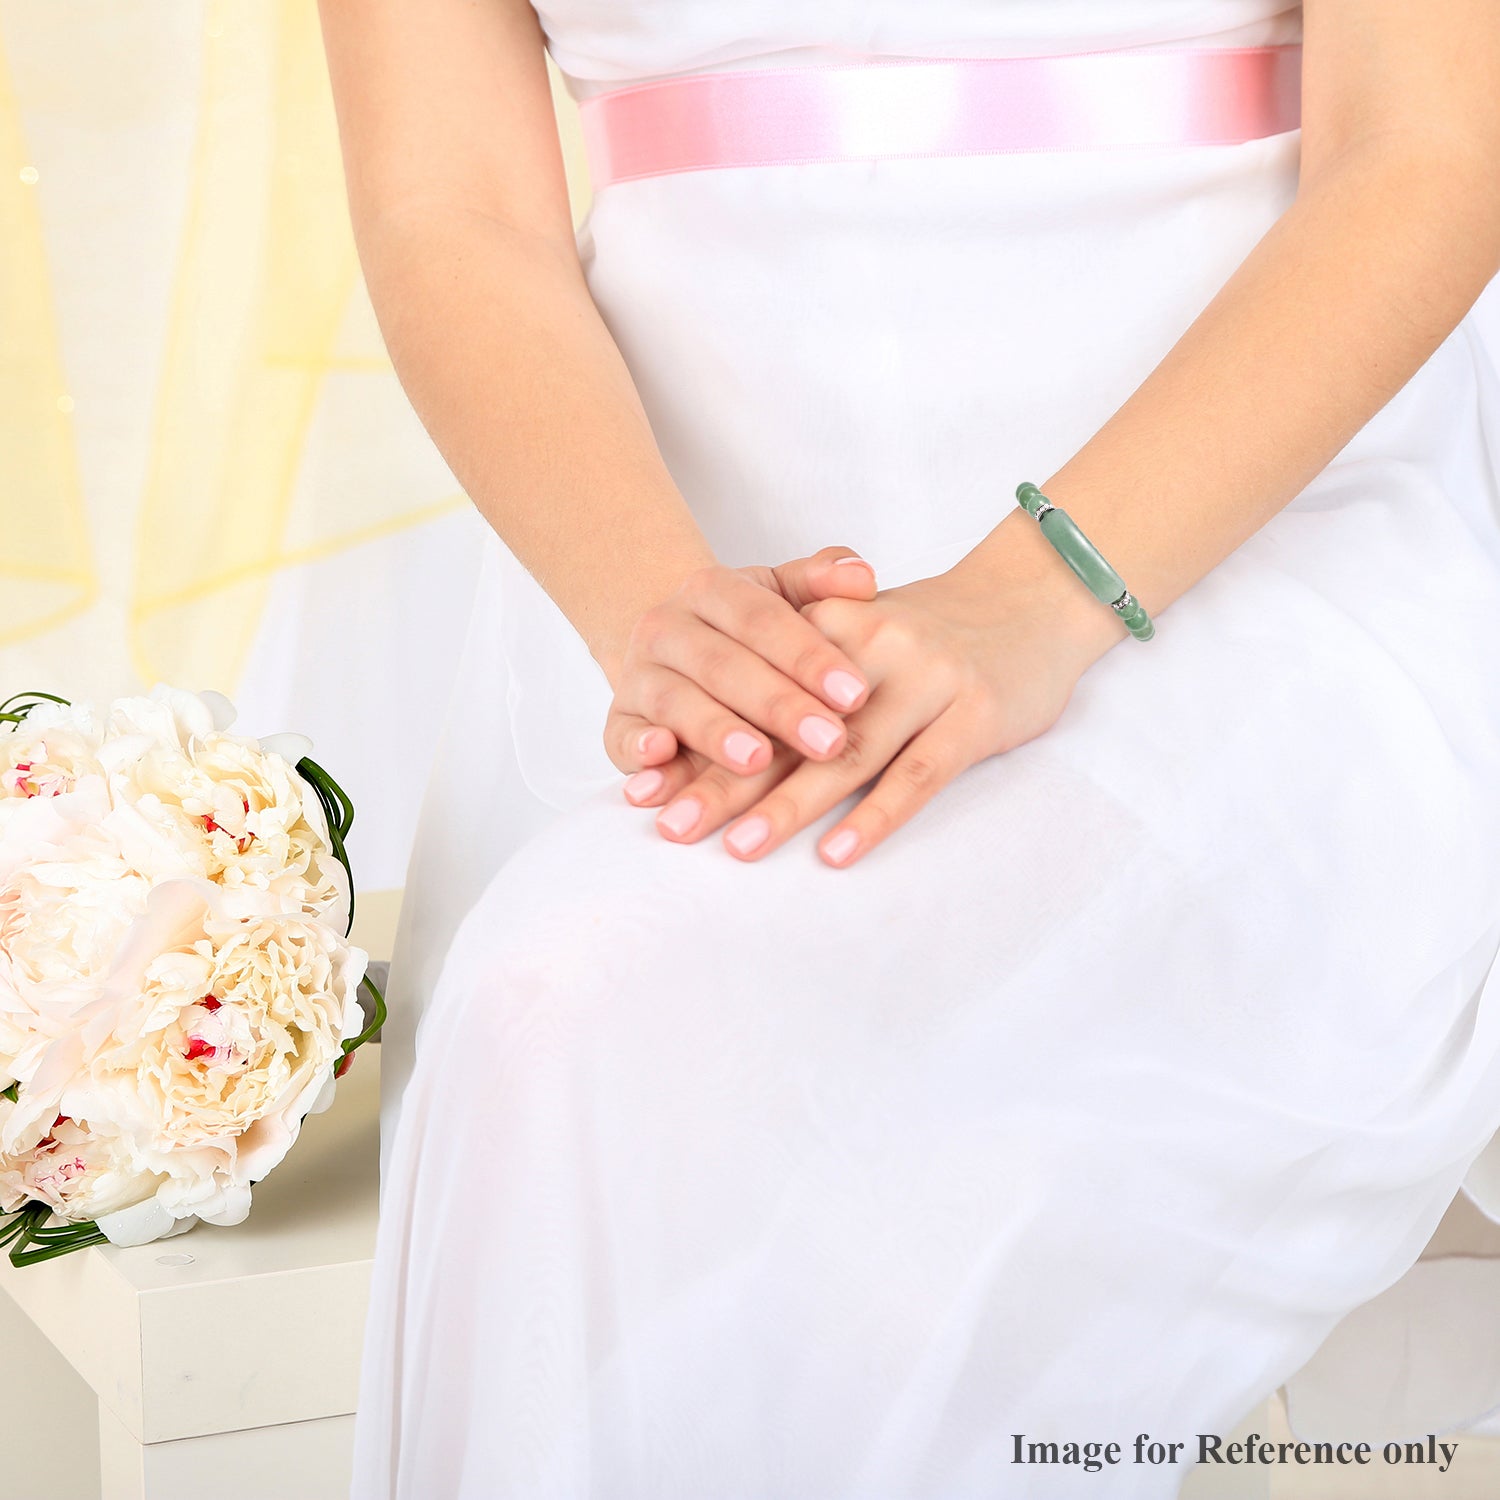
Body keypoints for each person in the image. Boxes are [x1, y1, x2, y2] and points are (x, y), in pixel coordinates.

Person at [316, 0, 1500, 1493]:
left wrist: (1043, 592)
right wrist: (667, 623)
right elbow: (451, 206)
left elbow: (1430, 149)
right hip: (670, 574)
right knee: (554, 1012)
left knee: (612, 1023)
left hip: (1237, 555)